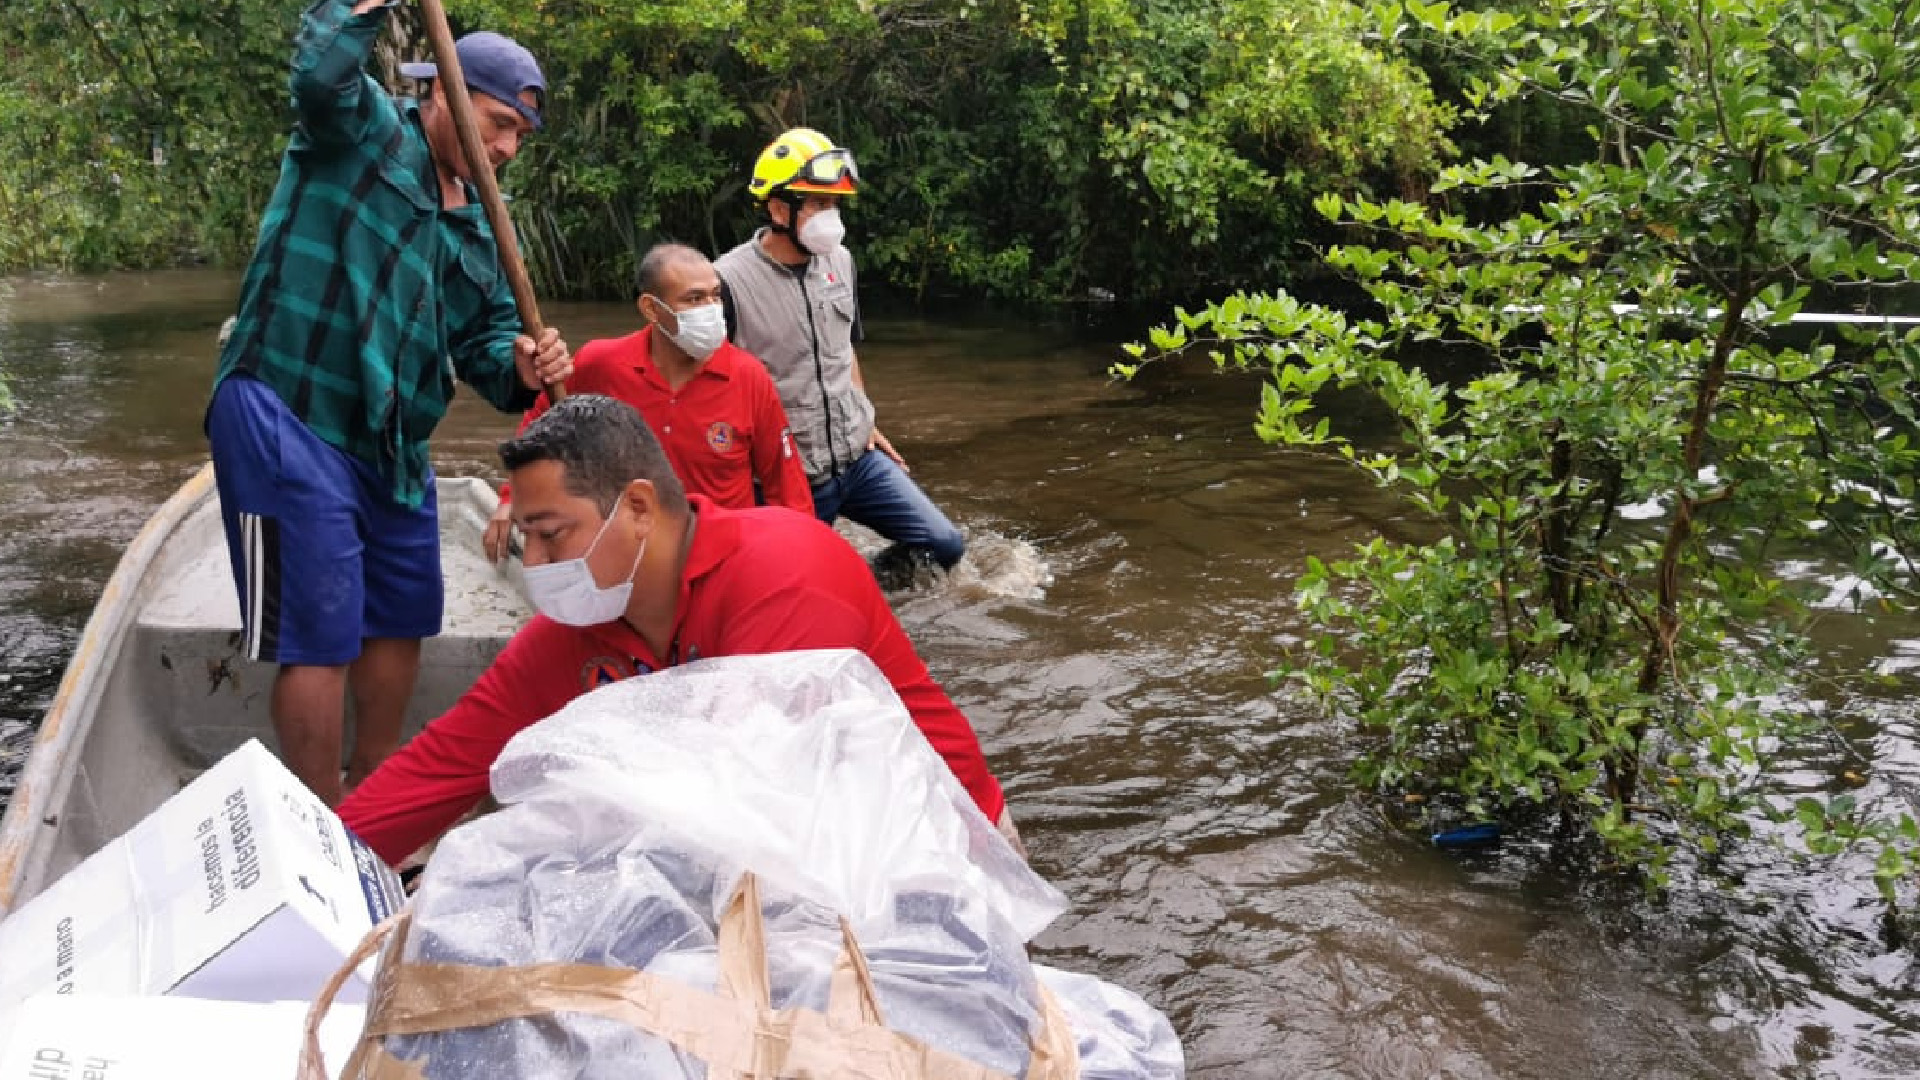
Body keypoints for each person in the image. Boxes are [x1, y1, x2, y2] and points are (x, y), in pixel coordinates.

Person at [338, 394, 1024, 865]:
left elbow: (760, 798)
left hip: (937, 857)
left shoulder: (783, 573)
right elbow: (442, 767)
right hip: (772, 864)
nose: (536, 564)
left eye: (550, 535)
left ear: (637, 507)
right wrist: (319, 861)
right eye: (526, 539)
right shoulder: (580, 629)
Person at [205, 0, 573, 808]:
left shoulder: (480, 228)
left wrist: (525, 363)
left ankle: (370, 797)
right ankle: (319, 815)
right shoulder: (363, 132)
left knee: (404, 614)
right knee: (322, 633)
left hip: (391, 448)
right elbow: (319, 73)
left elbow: (490, 353)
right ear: (440, 90)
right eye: (497, 123)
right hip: (288, 410)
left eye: (518, 136)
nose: (505, 148)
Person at [714, 127, 967, 585]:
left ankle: (866, 579)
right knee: (788, 591)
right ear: (778, 208)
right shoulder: (726, 282)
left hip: (856, 458)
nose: (830, 216)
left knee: (944, 545)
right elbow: (708, 389)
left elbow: (843, 346)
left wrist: (863, 415)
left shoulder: (841, 261)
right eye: (818, 204)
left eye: (834, 205)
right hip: (789, 478)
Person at [482, 243, 812, 562]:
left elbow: (785, 484)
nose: (711, 309)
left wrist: (800, 553)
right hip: (629, 555)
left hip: (718, 557)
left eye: (715, 296)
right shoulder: (603, 363)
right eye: (694, 299)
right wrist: (513, 499)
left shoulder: (748, 377)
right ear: (651, 309)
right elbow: (539, 425)